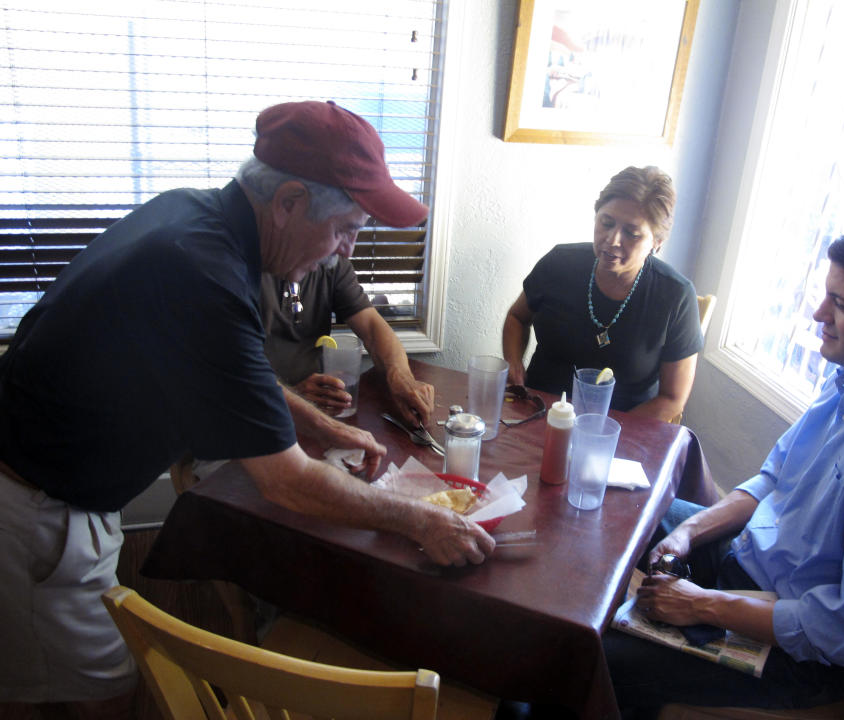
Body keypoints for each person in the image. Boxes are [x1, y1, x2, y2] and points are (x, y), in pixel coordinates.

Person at [0, 100, 495, 718]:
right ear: (288, 201)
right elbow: (286, 481)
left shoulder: (195, 215)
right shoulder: (203, 274)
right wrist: (422, 521)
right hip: (34, 508)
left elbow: (237, 376)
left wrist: (317, 423)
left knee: (55, 678)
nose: (345, 252)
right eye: (346, 228)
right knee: (85, 695)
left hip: (64, 491)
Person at [602, 222, 844, 718]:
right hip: (753, 569)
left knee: (599, 657)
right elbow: (773, 481)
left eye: (842, 305)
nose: (818, 315)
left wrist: (702, 604)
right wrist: (688, 531)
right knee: (626, 507)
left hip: (808, 657)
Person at [502, 166, 703, 422]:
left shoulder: (675, 296)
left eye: (632, 233)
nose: (612, 239)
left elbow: (672, 399)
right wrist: (513, 362)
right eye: (606, 222)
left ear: (657, 241)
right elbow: (517, 318)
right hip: (538, 413)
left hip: (621, 431)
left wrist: (602, 432)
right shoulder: (559, 263)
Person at [259, 256, 434, 426]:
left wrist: (400, 377)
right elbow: (237, 375)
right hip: (259, 412)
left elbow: (373, 328)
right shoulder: (241, 264)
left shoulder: (331, 261)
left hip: (319, 409)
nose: (347, 249)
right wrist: (293, 396)